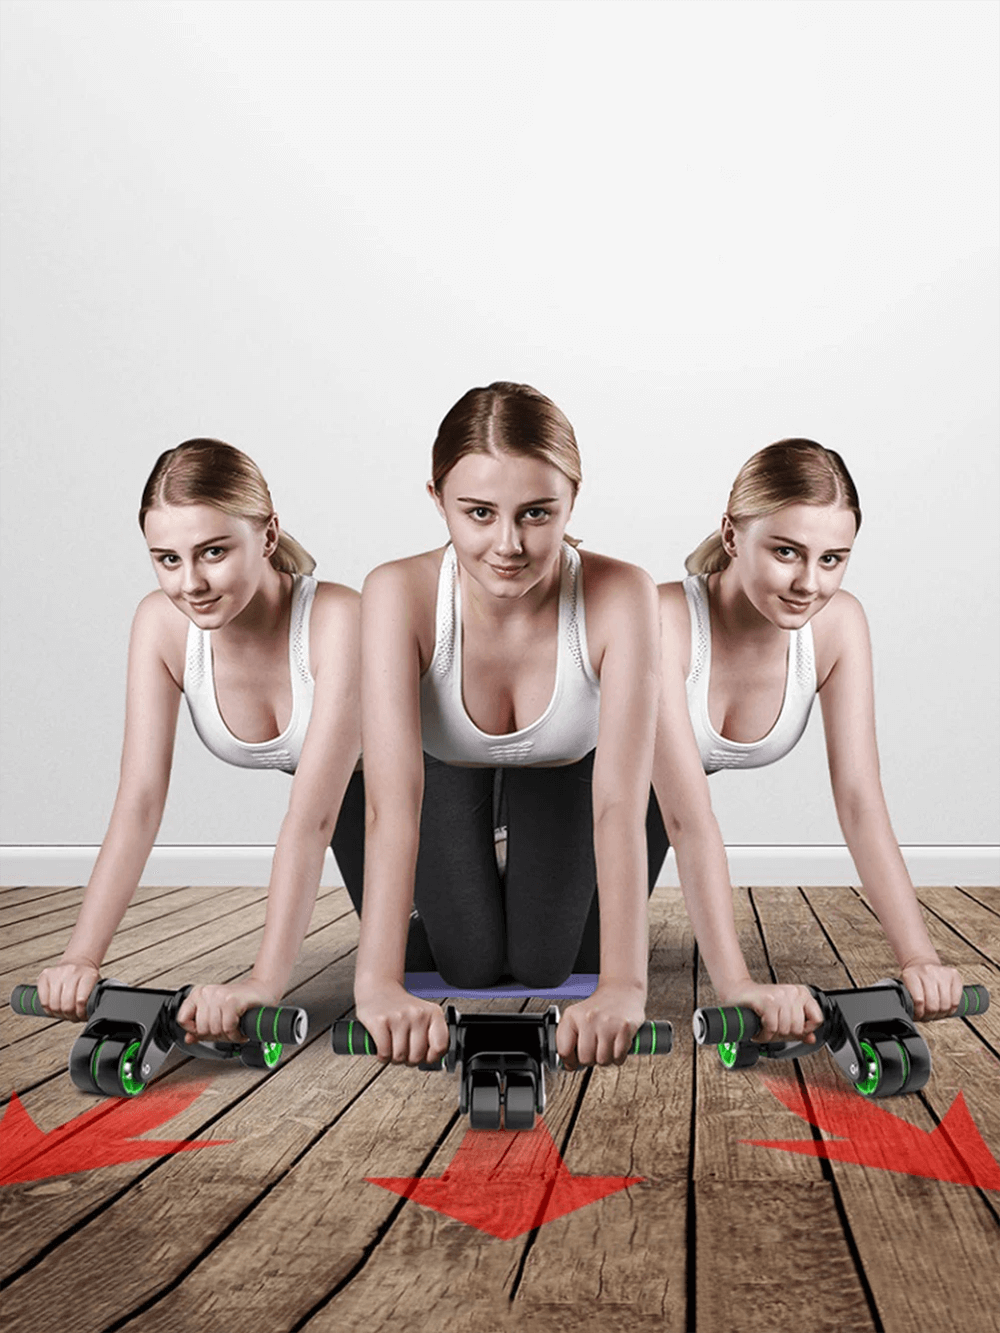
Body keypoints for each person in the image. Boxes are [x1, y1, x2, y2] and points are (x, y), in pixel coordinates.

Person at [355, 382, 661, 1070]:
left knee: (545, 965)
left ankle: (519, 868)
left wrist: (623, 986)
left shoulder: (625, 593)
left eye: (537, 513)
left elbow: (617, 806)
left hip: (569, 770)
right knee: (467, 964)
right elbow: (392, 804)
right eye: (479, 513)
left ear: (572, 501)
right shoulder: (396, 591)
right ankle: (470, 868)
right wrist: (377, 984)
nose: (509, 544)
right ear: (437, 500)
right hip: (440, 767)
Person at [35, 439, 363, 1044]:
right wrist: (81, 957)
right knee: (430, 956)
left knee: (495, 963)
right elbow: (138, 803)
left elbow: (310, 819)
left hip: (453, 777)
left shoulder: (337, 617)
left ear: (267, 536)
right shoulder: (160, 628)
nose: (191, 584)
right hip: (363, 805)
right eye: (166, 559)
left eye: (213, 552)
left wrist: (265, 982)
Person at [651, 438, 964, 1040]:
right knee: (498, 960)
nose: (807, 583)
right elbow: (690, 821)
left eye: (831, 559)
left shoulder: (838, 625)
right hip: (548, 779)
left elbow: (858, 799)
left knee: (562, 958)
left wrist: (919, 957)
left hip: (640, 803)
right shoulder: (663, 618)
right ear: (733, 534)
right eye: (787, 552)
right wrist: (737, 987)